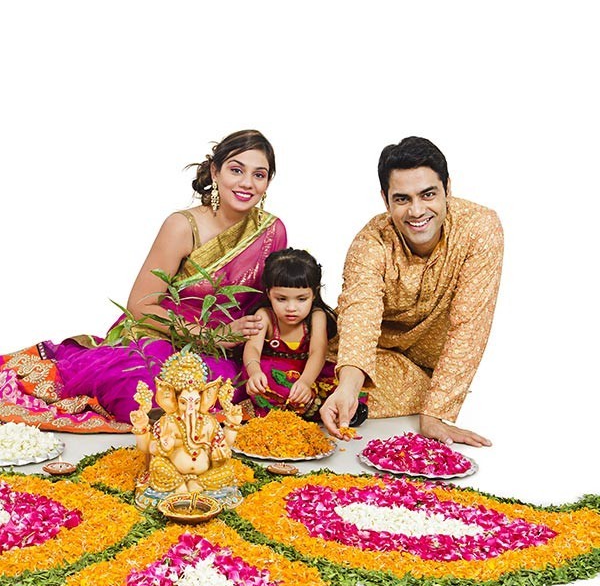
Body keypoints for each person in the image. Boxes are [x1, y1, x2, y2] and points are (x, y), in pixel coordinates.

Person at [0, 130, 287, 433]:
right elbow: (139, 306)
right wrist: (209, 335)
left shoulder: (271, 231)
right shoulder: (182, 226)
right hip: (163, 335)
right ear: (215, 172)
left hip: (231, 348)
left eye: (259, 174)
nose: (247, 183)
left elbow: (274, 301)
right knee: (144, 389)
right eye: (236, 170)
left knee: (258, 385)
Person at [320, 136, 503, 447]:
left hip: (433, 367)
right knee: (308, 383)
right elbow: (359, 314)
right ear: (385, 199)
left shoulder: (480, 228)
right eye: (402, 199)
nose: (417, 211)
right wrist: (349, 385)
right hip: (373, 360)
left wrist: (434, 414)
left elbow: (470, 324)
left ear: (448, 187)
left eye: (428, 194)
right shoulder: (370, 242)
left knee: (419, 389)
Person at [242, 248, 340, 418]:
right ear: (268, 294)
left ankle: (317, 407)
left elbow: (318, 353)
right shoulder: (265, 316)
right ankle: (290, 411)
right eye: (281, 299)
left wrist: (305, 382)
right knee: (272, 383)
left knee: (341, 385)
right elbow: (253, 349)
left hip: (307, 372)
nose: (291, 308)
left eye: (301, 299)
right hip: (272, 372)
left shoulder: (317, 317)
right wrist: (255, 373)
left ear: (314, 294)